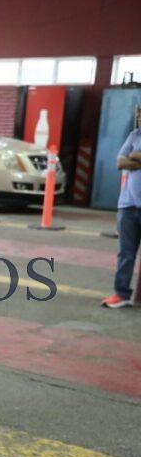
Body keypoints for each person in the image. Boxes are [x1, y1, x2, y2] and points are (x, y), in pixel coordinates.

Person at [101, 105, 141, 308]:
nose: (140, 118)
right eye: (139, 115)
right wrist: (135, 158)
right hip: (128, 205)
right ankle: (121, 293)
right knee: (125, 253)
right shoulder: (134, 136)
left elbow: (132, 158)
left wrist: (135, 156)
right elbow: (119, 162)